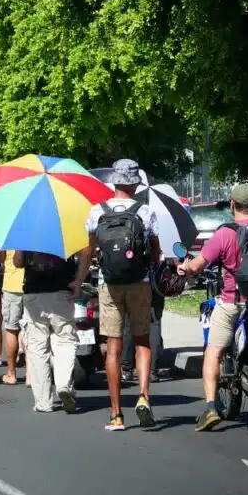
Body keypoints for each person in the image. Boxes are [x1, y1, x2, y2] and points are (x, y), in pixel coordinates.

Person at [176, 182, 248, 431]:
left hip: (233, 303)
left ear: (232, 205)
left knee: (213, 352)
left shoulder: (224, 234)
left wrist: (184, 266)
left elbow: (197, 266)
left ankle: (209, 408)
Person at [73, 158, 160, 432]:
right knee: (142, 340)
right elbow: (155, 252)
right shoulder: (145, 212)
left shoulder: (96, 211)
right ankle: (144, 396)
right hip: (140, 282)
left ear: (113, 182)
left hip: (108, 284)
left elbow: (87, 252)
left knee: (113, 346)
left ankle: (116, 414)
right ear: (135, 184)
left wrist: (78, 280)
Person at [14, 250, 79, 413]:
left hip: (34, 293)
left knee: (37, 349)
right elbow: (82, 255)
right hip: (61, 292)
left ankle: (43, 401)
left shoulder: (25, 228)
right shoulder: (65, 227)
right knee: (65, 340)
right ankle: (64, 383)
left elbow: (18, 262)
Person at [0, 249, 27, 385]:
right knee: (32, 329)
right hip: (32, 285)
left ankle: (11, 373)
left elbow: (0, 258)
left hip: (12, 285)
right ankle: (31, 375)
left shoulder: (9, 231)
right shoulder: (38, 229)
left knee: (11, 329)